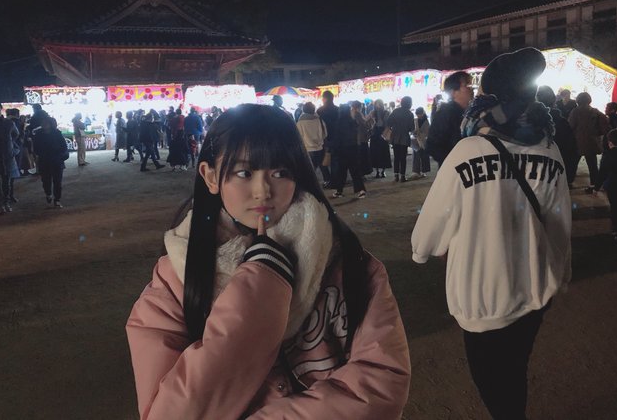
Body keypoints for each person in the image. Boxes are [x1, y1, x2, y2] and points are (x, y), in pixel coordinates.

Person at [125, 104, 411, 419]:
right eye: (244, 173)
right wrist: (260, 286)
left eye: (279, 173)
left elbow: (382, 382)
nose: (263, 191)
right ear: (210, 176)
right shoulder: (173, 282)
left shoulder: (350, 263)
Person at [411, 47, 571, 420]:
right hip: (535, 286)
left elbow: (429, 230)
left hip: (480, 293)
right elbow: (560, 223)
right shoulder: (550, 151)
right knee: (515, 368)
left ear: (490, 97)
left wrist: (423, 249)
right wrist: (559, 274)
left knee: (491, 379)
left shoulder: (468, 150)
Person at [426, 71, 474, 167]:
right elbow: (432, 145)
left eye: (470, 85)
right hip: (455, 170)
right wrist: (454, 162)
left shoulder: (471, 113)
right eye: (466, 85)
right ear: (453, 92)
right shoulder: (445, 113)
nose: (471, 89)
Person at [568, 92, 610, 193]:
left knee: (573, 163)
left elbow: (570, 126)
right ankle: (594, 184)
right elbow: (605, 124)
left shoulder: (575, 111)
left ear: (578, 100)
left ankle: (569, 182)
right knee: (592, 165)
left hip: (577, 141)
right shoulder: (595, 111)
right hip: (592, 141)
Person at [536, 85, 578, 185]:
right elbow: (571, 152)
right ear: (554, 101)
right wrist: (568, 179)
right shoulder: (561, 123)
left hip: (531, 175)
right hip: (555, 174)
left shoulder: (525, 122)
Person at [332, 104, 367, 199]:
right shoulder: (353, 122)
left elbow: (337, 138)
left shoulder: (338, 123)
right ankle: (361, 190)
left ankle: (339, 191)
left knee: (341, 171)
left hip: (342, 150)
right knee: (355, 171)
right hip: (353, 148)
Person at [32, 116, 68, 208]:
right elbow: (35, 148)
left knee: (57, 182)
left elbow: (64, 146)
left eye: (46, 123)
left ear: (50, 124)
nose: (44, 124)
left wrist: (60, 156)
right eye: (43, 123)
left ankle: (57, 199)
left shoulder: (57, 133)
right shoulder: (38, 135)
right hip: (44, 161)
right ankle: (48, 194)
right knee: (46, 181)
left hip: (57, 160)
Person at [295, 101, 328, 180]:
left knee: (310, 168)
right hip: (319, 148)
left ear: (304, 110)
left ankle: (311, 182)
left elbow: (298, 137)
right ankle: (327, 180)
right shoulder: (319, 120)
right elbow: (325, 134)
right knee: (323, 166)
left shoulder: (300, 123)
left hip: (307, 149)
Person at [0, 102, 19, 214]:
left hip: (7, 156)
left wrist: (11, 146)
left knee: (7, 181)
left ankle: (6, 202)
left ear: (1, 109)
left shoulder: (9, 123)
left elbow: (16, 134)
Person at [386, 96, 415, 182]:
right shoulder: (410, 114)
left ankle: (396, 176)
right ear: (409, 103)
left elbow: (388, 122)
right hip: (404, 137)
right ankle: (403, 176)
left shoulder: (396, 111)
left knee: (396, 157)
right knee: (403, 157)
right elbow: (411, 128)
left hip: (395, 136)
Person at [316, 91, 339, 187]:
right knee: (335, 160)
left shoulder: (320, 111)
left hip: (324, 138)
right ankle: (335, 180)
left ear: (324, 99)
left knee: (323, 159)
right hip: (337, 137)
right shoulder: (337, 109)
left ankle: (328, 179)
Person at [369, 99, 392, 178]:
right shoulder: (372, 112)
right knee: (375, 153)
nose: (378, 106)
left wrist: (385, 133)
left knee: (383, 152)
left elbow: (388, 124)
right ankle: (377, 171)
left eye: (379, 104)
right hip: (375, 133)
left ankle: (383, 171)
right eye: (376, 104)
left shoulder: (386, 112)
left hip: (383, 132)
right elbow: (367, 121)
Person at [350, 100, 373, 177]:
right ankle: (362, 173)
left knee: (357, 156)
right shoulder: (358, 114)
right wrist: (369, 119)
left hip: (354, 138)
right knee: (363, 156)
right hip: (361, 138)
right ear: (358, 107)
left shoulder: (350, 113)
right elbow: (364, 124)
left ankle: (358, 173)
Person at [410, 107, 430, 179]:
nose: (419, 116)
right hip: (415, 140)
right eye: (417, 114)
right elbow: (412, 130)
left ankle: (423, 171)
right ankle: (416, 171)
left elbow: (427, 132)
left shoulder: (426, 121)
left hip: (423, 140)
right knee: (416, 155)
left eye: (420, 114)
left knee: (424, 155)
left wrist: (420, 133)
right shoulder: (415, 120)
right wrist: (414, 133)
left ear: (423, 113)